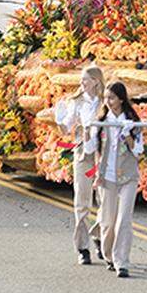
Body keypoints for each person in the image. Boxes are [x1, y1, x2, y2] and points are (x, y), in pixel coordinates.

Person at [53, 64, 104, 265]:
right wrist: (59, 119)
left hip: (101, 154)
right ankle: (82, 247)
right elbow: (65, 129)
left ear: (96, 82)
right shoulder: (77, 102)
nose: (82, 84)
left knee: (104, 200)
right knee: (82, 200)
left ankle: (99, 236)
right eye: (81, 80)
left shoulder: (105, 101)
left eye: (85, 80)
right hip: (84, 153)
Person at [93, 82, 143, 278]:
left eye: (112, 98)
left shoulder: (131, 121)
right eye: (106, 98)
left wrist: (128, 134)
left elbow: (138, 152)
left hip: (128, 176)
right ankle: (108, 255)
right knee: (108, 222)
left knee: (124, 220)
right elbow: (93, 147)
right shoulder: (102, 121)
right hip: (107, 178)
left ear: (121, 99)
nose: (108, 102)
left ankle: (121, 261)